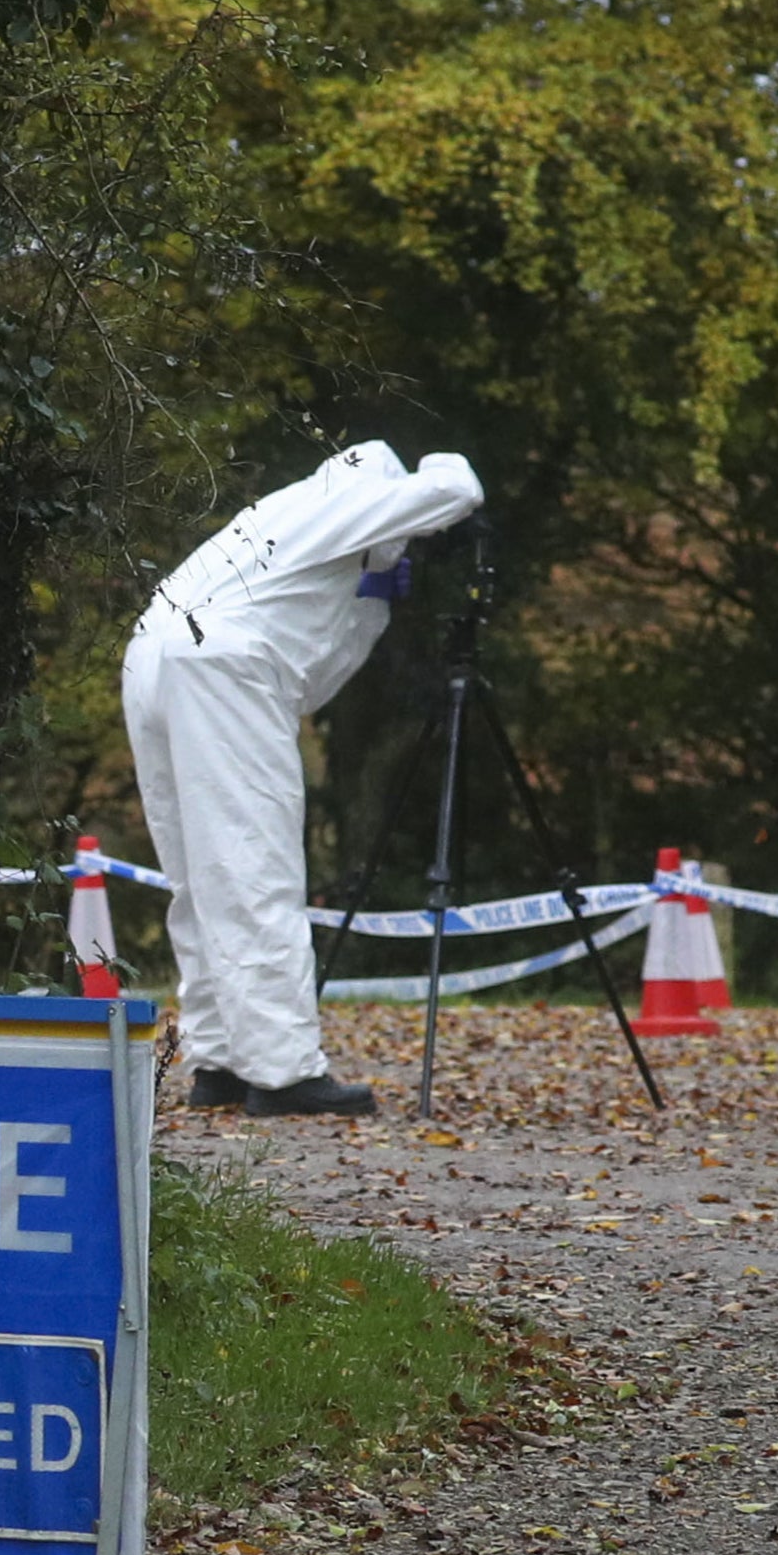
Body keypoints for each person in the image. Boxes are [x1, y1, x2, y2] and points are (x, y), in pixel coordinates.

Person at [121, 441, 483, 1117]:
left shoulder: (282, 516)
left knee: (200, 877)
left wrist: (369, 594)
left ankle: (221, 1059)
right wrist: (436, 474)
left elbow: (312, 666)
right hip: (221, 665)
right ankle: (283, 1071)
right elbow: (457, 487)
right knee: (255, 865)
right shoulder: (346, 503)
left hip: (154, 656)